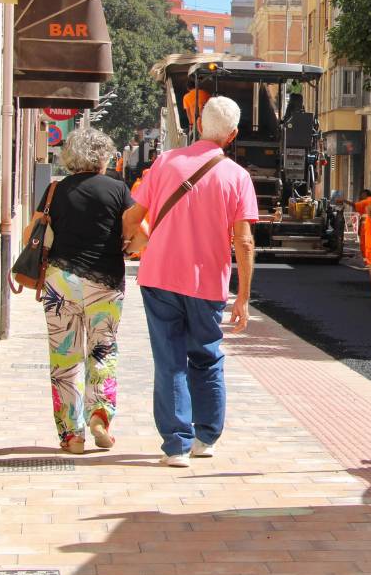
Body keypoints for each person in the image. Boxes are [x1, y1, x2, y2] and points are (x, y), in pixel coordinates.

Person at [121, 96, 258, 468]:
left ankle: (176, 444)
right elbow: (244, 241)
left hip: (159, 277)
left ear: (198, 124)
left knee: (169, 361)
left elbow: (133, 217)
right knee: (207, 357)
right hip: (208, 284)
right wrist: (242, 297)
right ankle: (206, 437)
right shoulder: (238, 177)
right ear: (232, 135)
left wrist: (142, 243)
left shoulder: (165, 163)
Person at [24, 127, 131, 455]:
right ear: (103, 157)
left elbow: (33, 231)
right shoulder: (118, 190)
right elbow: (131, 234)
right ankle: (99, 416)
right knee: (102, 350)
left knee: (64, 357)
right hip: (105, 282)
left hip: (61, 283)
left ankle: (72, 434)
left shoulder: (55, 190)